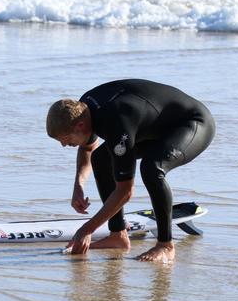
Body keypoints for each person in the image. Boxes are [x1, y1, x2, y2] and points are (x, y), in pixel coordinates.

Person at [46, 79, 214, 262]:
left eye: (65, 138)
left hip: (193, 123)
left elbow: (125, 192)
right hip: (154, 127)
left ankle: (166, 245)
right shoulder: (84, 109)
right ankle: (118, 236)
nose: (63, 145)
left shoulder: (117, 123)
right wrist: (78, 185)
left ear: (79, 126)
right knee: (101, 159)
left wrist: (87, 229)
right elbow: (88, 148)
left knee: (152, 168)